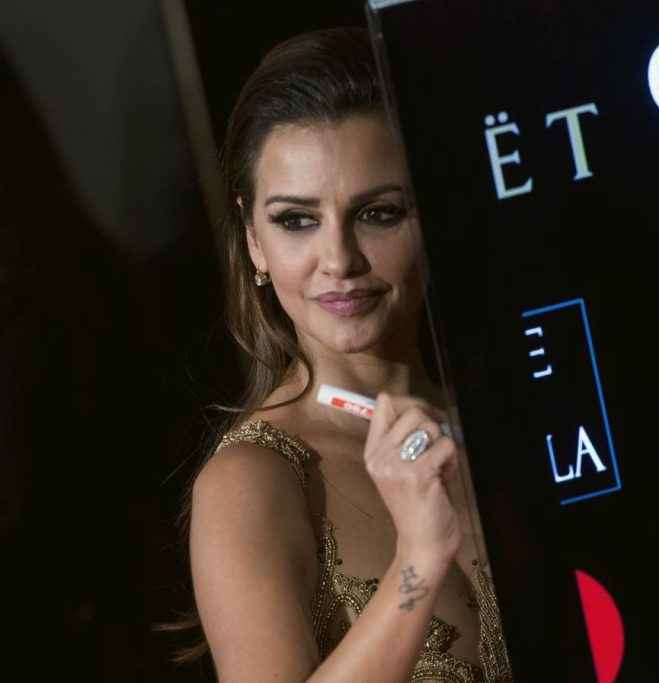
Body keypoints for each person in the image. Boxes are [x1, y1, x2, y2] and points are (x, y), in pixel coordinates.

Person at [166, 26, 513, 682]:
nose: (339, 260)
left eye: (378, 213)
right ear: (254, 240)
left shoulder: (515, 412)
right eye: (296, 220)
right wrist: (418, 558)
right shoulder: (252, 483)